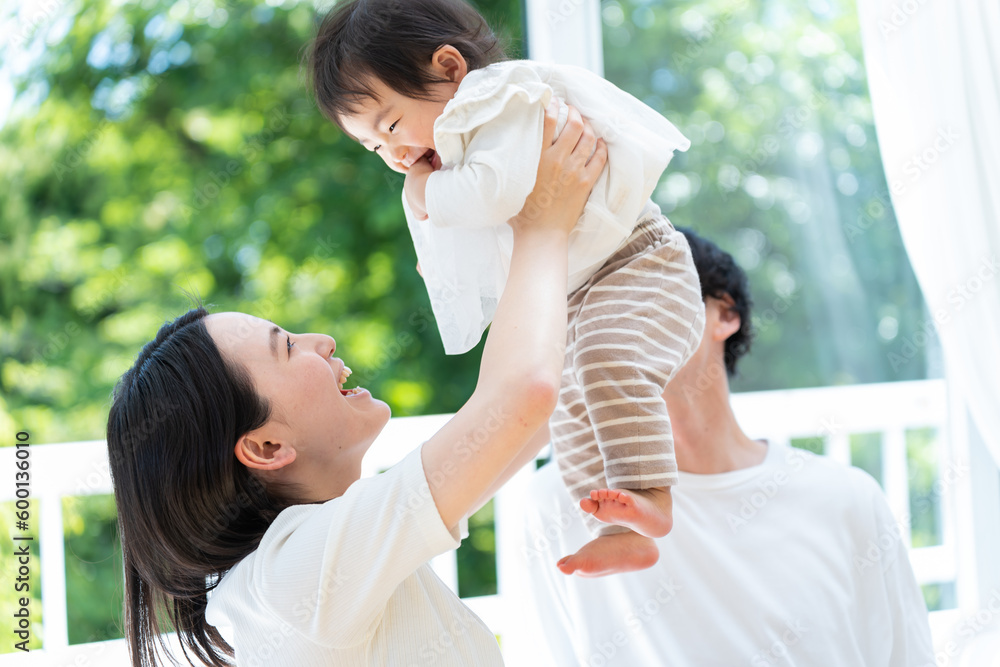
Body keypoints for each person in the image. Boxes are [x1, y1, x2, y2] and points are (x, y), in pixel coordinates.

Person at [105, 105, 606, 666]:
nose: (322, 340)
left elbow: (532, 414)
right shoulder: (296, 576)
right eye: (286, 346)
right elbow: (523, 398)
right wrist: (544, 225)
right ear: (266, 446)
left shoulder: (304, 565)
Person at [309, 0, 704, 578]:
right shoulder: (463, 146)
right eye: (374, 148)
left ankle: (651, 492)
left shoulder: (498, 99)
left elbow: (492, 194)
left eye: (390, 127)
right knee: (568, 407)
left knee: (604, 361)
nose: (395, 156)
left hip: (635, 262)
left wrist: (422, 194)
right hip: (577, 291)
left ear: (450, 69)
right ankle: (619, 528)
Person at [520, 228, 937, 666]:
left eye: (644, 300)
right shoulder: (566, 505)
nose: (618, 326)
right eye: (593, 311)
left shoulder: (846, 499)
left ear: (724, 314)